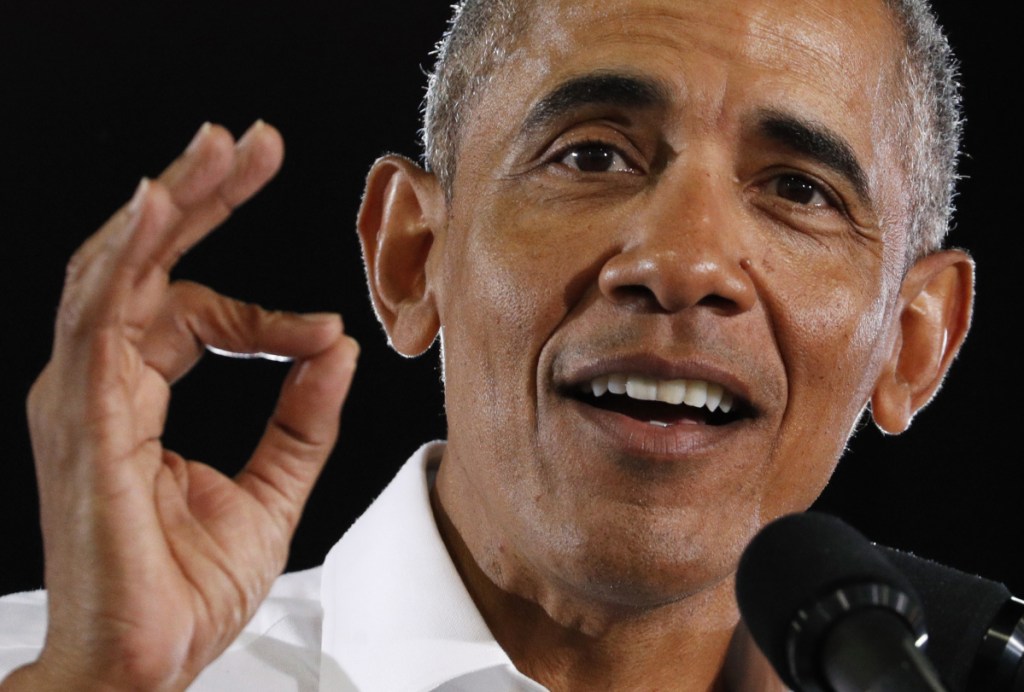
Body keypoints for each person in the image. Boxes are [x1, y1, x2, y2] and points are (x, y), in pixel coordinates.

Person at [0, 0, 975, 689]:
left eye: (797, 190)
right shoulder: (58, 670)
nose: (683, 263)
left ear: (913, 341)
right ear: (410, 255)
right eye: (591, 155)